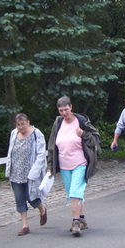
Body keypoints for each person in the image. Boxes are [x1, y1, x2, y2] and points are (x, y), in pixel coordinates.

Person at [47, 96, 101, 237]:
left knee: (75, 193)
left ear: (71, 107)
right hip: (64, 165)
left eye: (66, 109)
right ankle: (82, 219)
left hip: (80, 164)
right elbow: (52, 146)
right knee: (74, 195)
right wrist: (50, 166)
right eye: (61, 110)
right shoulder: (58, 123)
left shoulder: (81, 121)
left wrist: (83, 134)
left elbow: (96, 138)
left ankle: (75, 222)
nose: (64, 113)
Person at [5, 113, 48, 236]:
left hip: (30, 174)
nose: (21, 127)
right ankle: (25, 225)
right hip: (16, 173)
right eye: (18, 125)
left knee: (31, 197)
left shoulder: (36, 134)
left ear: (28, 123)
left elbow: (40, 155)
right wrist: (8, 170)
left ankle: (42, 209)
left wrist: (34, 173)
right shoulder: (14, 134)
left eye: (23, 124)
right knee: (19, 198)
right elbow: (10, 153)